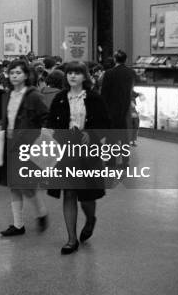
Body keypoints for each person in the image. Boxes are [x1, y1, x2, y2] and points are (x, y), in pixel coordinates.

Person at [47, 61, 109, 254]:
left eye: (77, 73)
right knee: (70, 192)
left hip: (88, 152)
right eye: (69, 73)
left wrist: (91, 134)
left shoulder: (93, 98)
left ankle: (91, 219)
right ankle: (71, 239)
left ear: (85, 76)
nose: (72, 76)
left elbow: (106, 123)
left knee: (87, 195)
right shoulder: (59, 98)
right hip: (65, 150)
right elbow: (50, 123)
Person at [0, 59, 49, 237]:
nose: (14, 76)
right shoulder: (8, 94)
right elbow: (8, 118)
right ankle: (18, 225)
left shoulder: (34, 95)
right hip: (9, 145)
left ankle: (41, 212)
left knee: (26, 186)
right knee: (14, 186)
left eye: (18, 73)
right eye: (11, 73)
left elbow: (45, 118)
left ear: (26, 75)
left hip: (26, 146)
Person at [100, 49, 135, 160]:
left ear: (115, 59)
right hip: (125, 107)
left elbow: (104, 92)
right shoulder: (131, 72)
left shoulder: (109, 73)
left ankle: (111, 160)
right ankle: (125, 160)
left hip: (111, 107)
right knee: (124, 135)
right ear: (126, 59)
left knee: (111, 135)